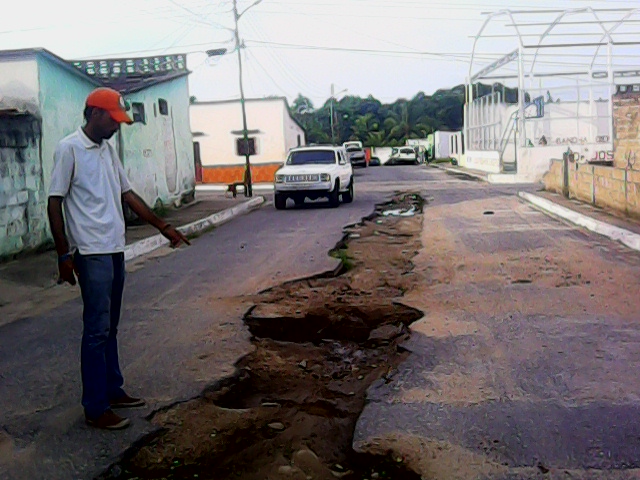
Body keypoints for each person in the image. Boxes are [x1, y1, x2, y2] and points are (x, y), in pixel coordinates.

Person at [47, 87, 190, 430]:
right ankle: (95, 408)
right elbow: (55, 202)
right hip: (90, 251)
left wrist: (163, 226)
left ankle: (112, 390)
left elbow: (128, 194)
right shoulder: (69, 149)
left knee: (109, 326)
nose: (117, 127)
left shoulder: (107, 150)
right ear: (95, 114)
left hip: (113, 247)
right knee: (96, 330)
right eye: (113, 120)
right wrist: (63, 254)